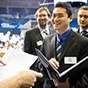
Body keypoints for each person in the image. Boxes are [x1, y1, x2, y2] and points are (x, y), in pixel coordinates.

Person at [36, 2, 88, 88]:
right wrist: (47, 64)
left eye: (60, 15)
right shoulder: (46, 40)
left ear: (70, 18)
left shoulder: (83, 42)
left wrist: (70, 86)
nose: (55, 19)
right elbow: (39, 64)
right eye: (54, 15)